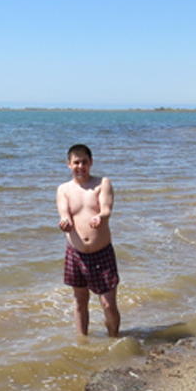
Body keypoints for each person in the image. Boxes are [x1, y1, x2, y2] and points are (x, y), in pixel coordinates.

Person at [56, 144, 121, 337]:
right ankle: (82, 342)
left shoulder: (102, 183)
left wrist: (100, 217)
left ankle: (114, 338)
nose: (80, 166)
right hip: (75, 253)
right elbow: (64, 212)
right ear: (69, 164)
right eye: (76, 162)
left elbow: (107, 208)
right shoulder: (64, 189)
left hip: (102, 253)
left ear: (91, 163)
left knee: (108, 304)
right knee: (80, 301)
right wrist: (65, 221)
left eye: (84, 162)